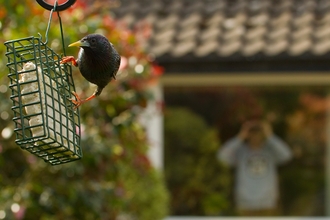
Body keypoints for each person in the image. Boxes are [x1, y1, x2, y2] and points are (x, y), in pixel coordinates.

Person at [217, 120, 292, 216]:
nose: (255, 136)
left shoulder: (270, 151)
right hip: (245, 202)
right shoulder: (240, 151)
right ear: (248, 135)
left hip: (267, 202)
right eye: (252, 133)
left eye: (258, 133)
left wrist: (270, 136)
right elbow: (222, 156)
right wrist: (240, 137)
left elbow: (287, 155)